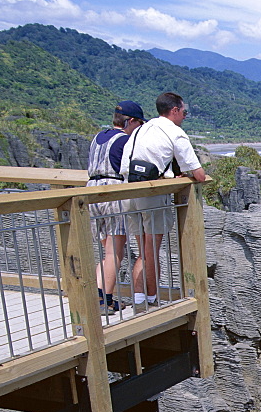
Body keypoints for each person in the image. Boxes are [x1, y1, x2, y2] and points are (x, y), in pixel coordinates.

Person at [120, 91, 206, 311]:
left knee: (143, 250)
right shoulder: (174, 132)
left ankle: (140, 298)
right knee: (152, 250)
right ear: (174, 111)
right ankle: (150, 300)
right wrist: (183, 178)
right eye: (184, 112)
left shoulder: (141, 129)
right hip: (152, 195)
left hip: (129, 191)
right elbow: (199, 175)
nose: (185, 116)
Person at [86, 100, 145, 312]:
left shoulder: (98, 137)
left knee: (106, 252)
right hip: (114, 192)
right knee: (115, 253)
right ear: (130, 121)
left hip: (92, 191)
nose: (139, 127)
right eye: (138, 122)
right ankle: (103, 301)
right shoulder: (124, 141)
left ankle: (101, 297)